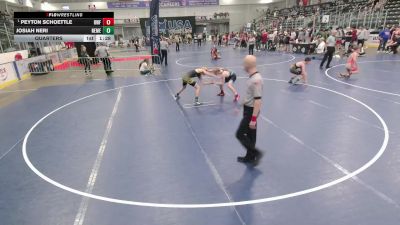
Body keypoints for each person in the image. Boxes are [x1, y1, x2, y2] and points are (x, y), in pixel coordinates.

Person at [236, 55, 263, 166]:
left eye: (244, 63)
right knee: (251, 135)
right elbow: (250, 96)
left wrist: (253, 119)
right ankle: (250, 157)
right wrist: (240, 105)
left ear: (248, 64)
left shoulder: (256, 79)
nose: (243, 66)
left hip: (251, 111)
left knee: (240, 134)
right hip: (248, 109)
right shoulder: (252, 77)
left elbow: (258, 101)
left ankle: (256, 153)